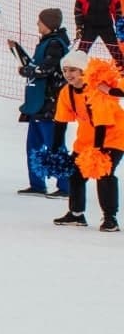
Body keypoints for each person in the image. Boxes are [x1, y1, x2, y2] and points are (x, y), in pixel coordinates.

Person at [52, 50, 124, 231]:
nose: (68, 74)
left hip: (113, 136)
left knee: (104, 173)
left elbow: (101, 122)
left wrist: (98, 151)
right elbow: (60, 122)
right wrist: (56, 149)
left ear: (83, 71)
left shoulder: (96, 90)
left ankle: (110, 219)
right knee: (76, 175)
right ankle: (76, 214)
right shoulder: (66, 92)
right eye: (65, 70)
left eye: (73, 70)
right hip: (86, 139)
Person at [10, 8, 71, 196]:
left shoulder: (55, 44)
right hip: (38, 104)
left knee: (54, 145)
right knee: (33, 146)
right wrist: (17, 51)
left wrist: (27, 72)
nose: (38, 24)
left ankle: (66, 186)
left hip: (50, 104)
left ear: (49, 24)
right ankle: (37, 184)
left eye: (40, 21)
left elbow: (46, 69)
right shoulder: (46, 42)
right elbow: (34, 65)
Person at [73, 0, 124, 68]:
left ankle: (122, 71)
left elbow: (117, 9)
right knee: (81, 51)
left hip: (106, 26)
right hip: (90, 26)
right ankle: (75, 72)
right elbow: (78, 10)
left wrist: (119, 25)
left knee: (116, 52)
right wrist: (79, 26)